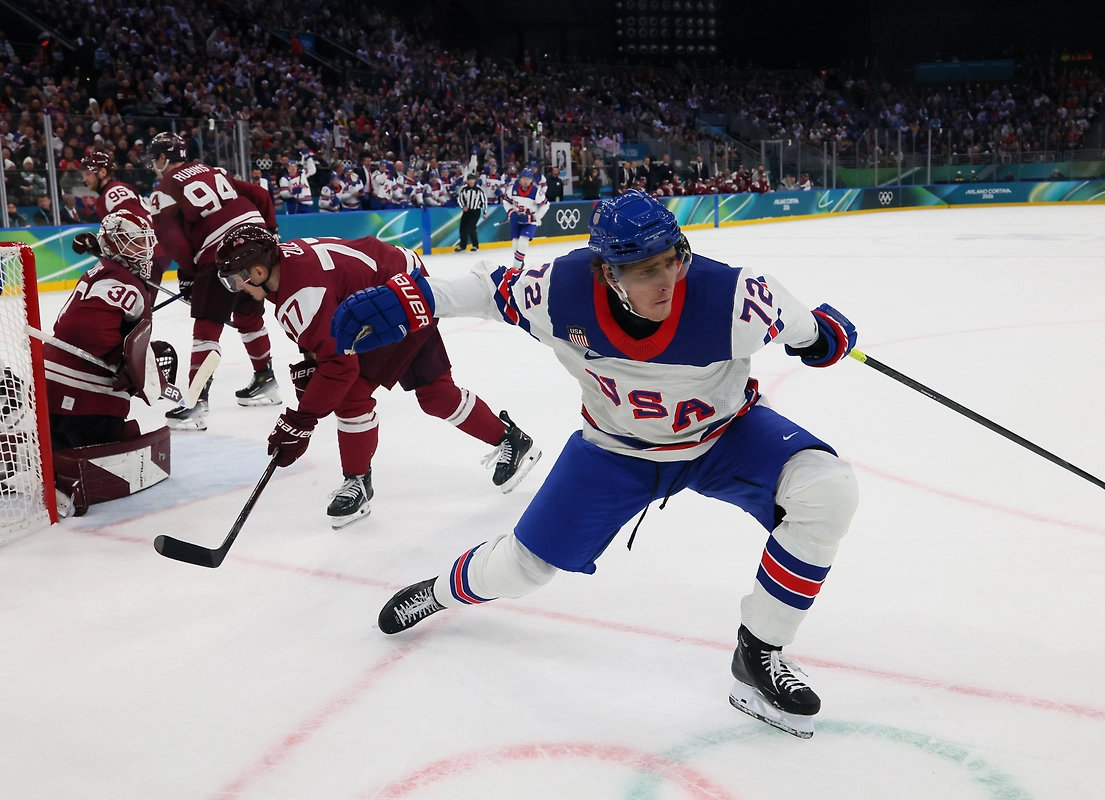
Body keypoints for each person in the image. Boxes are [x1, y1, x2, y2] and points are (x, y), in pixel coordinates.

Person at [330, 190, 860, 739]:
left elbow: (806, 329)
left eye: (672, 260)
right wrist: (412, 297)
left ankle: (759, 651)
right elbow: (487, 290)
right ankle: (439, 592)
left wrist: (823, 337)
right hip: (616, 452)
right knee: (521, 570)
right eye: (645, 270)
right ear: (608, 273)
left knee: (828, 490)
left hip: (724, 437)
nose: (666, 281)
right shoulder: (559, 293)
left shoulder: (735, 297)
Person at [213, 225, 542, 527]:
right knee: (436, 394)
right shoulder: (286, 262)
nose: (236, 288)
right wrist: (313, 364)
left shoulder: (300, 293)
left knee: (352, 392)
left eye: (236, 279)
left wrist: (301, 421)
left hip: (398, 295)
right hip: (399, 281)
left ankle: (357, 482)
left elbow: (339, 365)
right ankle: (511, 439)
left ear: (258, 271)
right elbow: (324, 323)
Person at [145, 132, 281, 429]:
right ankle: (265, 379)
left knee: (207, 324)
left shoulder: (163, 190)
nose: (154, 164)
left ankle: (195, 402)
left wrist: (190, 274)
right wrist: (270, 232)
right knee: (247, 313)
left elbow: (173, 241)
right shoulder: (212, 170)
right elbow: (259, 195)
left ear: (163, 158)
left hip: (220, 251)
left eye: (154, 158)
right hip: (256, 239)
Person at [49, 210, 176, 516]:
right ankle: (65, 483)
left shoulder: (103, 270)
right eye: (135, 242)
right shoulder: (127, 284)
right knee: (108, 445)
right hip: (86, 398)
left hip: (49, 388)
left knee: (58, 446)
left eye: (144, 241)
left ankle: (48, 462)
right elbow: (83, 329)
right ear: (115, 246)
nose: (144, 249)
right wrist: (124, 363)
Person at [80, 150, 170, 282]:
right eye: (83, 175)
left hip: (147, 254)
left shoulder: (113, 193)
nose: (84, 179)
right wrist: (94, 244)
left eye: (88, 174)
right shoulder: (111, 192)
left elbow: (135, 228)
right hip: (150, 252)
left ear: (103, 172)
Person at [501, 168, 548, 269]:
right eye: (524, 178)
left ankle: (516, 268)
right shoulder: (512, 189)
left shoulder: (536, 192)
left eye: (528, 179)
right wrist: (511, 213)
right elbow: (506, 201)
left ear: (531, 180)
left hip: (530, 221)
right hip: (516, 220)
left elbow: (546, 205)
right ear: (520, 178)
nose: (526, 181)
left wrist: (535, 217)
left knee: (523, 242)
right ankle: (520, 264)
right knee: (515, 245)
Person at [455, 173, 487, 252]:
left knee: (471, 227)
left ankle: (475, 245)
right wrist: (463, 206)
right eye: (470, 180)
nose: (471, 181)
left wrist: (485, 212)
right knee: (463, 228)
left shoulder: (479, 190)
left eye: (472, 180)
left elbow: (484, 201)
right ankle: (463, 246)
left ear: (475, 180)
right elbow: (459, 199)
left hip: (475, 211)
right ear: (467, 181)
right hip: (467, 211)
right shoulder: (464, 189)